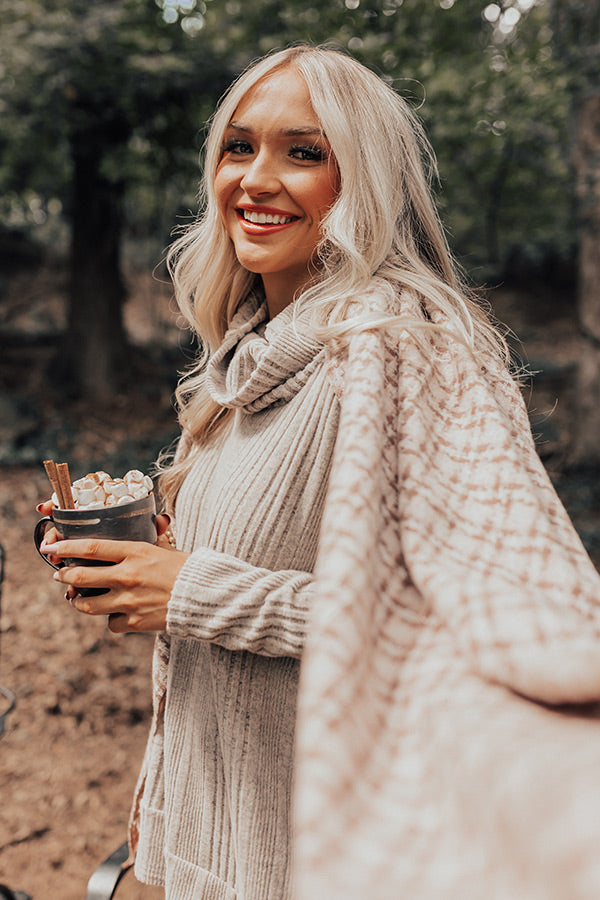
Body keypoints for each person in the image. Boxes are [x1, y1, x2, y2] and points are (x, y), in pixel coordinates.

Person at [38, 44, 600, 900]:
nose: (256, 179)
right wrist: (152, 562)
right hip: (230, 838)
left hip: (337, 856)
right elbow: (291, 558)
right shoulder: (248, 355)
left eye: (304, 152)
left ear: (365, 178)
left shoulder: (404, 348)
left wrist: (194, 591)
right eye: (238, 146)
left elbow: (465, 628)